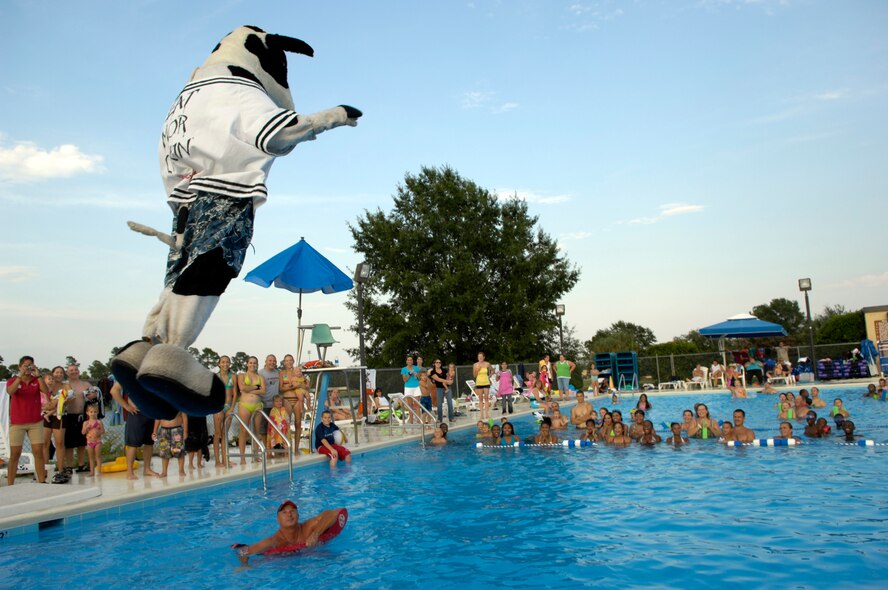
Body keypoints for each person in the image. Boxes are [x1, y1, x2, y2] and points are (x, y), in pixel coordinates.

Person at [235, 500, 346, 565]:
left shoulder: (307, 528)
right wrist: (244, 565)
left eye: (292, 511)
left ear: (298, 516)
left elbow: (332, 514)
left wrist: (315, 534)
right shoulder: (274, 541)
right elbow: (244, 551)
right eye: (284, 512)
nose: (289, 514)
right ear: (278, 519)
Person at [5, 355, 49, 485]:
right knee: (15, 454)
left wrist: (38, 376)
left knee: (38, 452)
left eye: (30, 365)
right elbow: (10, 391)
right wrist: (20, 376)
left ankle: (42, 481)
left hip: (35, 422)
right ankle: (10, 484)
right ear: (20, 367)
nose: (28, 368)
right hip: (17, 423)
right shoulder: (13, 380)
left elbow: (46, 391)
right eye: (25, 365)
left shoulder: (36, 381)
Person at [108, 382, 160, 480]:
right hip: (136, 413)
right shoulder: (129, 373)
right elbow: (114, 391)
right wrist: (126, 406)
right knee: (132, 444)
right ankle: (130, 472)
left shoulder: (150, 372)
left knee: (149, 443)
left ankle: (147, 469)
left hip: (151, 412)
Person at [62, 363, 96, 473]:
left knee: (82, 442)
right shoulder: (64, 385)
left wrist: (93, 395)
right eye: (71, 370)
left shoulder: (85, 384)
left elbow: (94, 395)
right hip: (68, 416)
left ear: (79, 371)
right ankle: (69, 466)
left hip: (81, 416)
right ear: (67, 373)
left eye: (76, 369)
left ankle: (81, 464)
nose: (74, 372)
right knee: (69, 444)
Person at [235, 356, 266, 464]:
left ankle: (256, 455)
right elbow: (242, 388)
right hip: (245, 405)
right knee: (243, 431)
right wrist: (256, 387)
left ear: (257, 364)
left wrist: (249, 388)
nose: (253, 365)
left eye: (255, 363)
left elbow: (263, 391)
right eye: (251, 363)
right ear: (247, 364)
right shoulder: (241, 375)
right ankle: (242, 457)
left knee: (257, 432)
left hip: (257, 405)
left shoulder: (260, 377)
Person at [213, 355, 238, 466]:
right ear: (219, 364)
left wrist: (232, 407)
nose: (225, 364)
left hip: (228, 406)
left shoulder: (232, 377)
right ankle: (217, 461)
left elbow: (235, 394)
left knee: (225, 434)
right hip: (218, 406)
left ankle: (225, 459)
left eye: (227, 362)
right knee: (217, 434)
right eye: (223, 362)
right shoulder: (215, 377)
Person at [279, 355, 310, 439]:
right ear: (284, 362)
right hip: (287, 400)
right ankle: (287, 448)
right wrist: (293, 387)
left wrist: (301, 385)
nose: (289, 362)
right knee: (286, 424)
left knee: (298, 423)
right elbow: (281, 388)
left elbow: (306, 384)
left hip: (297, 400)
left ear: (293, 361)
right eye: (287, 361)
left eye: (290, 360)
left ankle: (296, 449)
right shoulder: (282, 373)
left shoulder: (298, 371)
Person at [155, 411, 187, 477]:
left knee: (179, 451)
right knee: (164, 452)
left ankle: (181, 470)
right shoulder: (161, 403)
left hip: (177, 429)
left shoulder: (177, 402)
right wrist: (154, 431)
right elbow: (157, 417)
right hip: (164, 430)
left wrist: (185, 432)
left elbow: (184, 417)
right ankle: (164, 472)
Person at [258, 354, 281, 438]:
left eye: (274, 361)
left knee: (276, 428)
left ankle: (276, 449)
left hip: (276, 405)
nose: (272, 362)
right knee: (263, 429)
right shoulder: (260, 373)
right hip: (264, 405)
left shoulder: (278, 372)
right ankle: (267, 450)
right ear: (265, 361)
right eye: (270, 360)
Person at [80, 402, 105, 476]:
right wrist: (86, 428)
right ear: (87, 413)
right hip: (89, 442)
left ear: (97, 412)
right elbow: (83, 432)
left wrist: (99, 432)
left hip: (97, 441)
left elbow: (103, 431)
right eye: (91, 412)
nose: (93, 413)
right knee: (91, 457)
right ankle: (92, 472)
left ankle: (99, 472)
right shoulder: (85, 423)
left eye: (95, 412)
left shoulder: (99, 422)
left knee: (98, 456)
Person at [430, 359, 453, 423]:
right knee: (439, 404)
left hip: (447, 388)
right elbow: (438, 379)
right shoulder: (432, 372)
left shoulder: (444, 370)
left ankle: (451, 418)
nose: (438, 363)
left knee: (450, 403)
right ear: (434, 364)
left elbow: (449, 377)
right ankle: (440, 419)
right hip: (439, 389)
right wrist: (447, 381)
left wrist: (450, 381)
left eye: (439, 362)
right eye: (436, 362)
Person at [473, 352, 493, 421]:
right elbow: (474, 376)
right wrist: (477, 370)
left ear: (484, 357)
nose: (480, 358)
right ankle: (481, 414)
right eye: (479, 357)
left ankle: (487, 414)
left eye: (481, 357)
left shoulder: (487, 364)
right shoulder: (475, 365)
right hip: (479, 383)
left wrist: (489, 376)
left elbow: (492, 370)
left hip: (486, 382)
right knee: (480, 399)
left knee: (486, 398)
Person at [401, 355, 422, 424]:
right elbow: (405, 380)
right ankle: (411, 422)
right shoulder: (404, 369)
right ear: (406, 361)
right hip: (408, 388)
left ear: (413, 361)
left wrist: (416, 375)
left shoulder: (416, 368)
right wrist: (409, 374)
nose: (410, 361)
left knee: (417, 405)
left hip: (416, 387)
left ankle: (419, 422)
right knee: (410, 405)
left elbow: (419, 378)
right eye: (408, 360)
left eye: (411, 360)